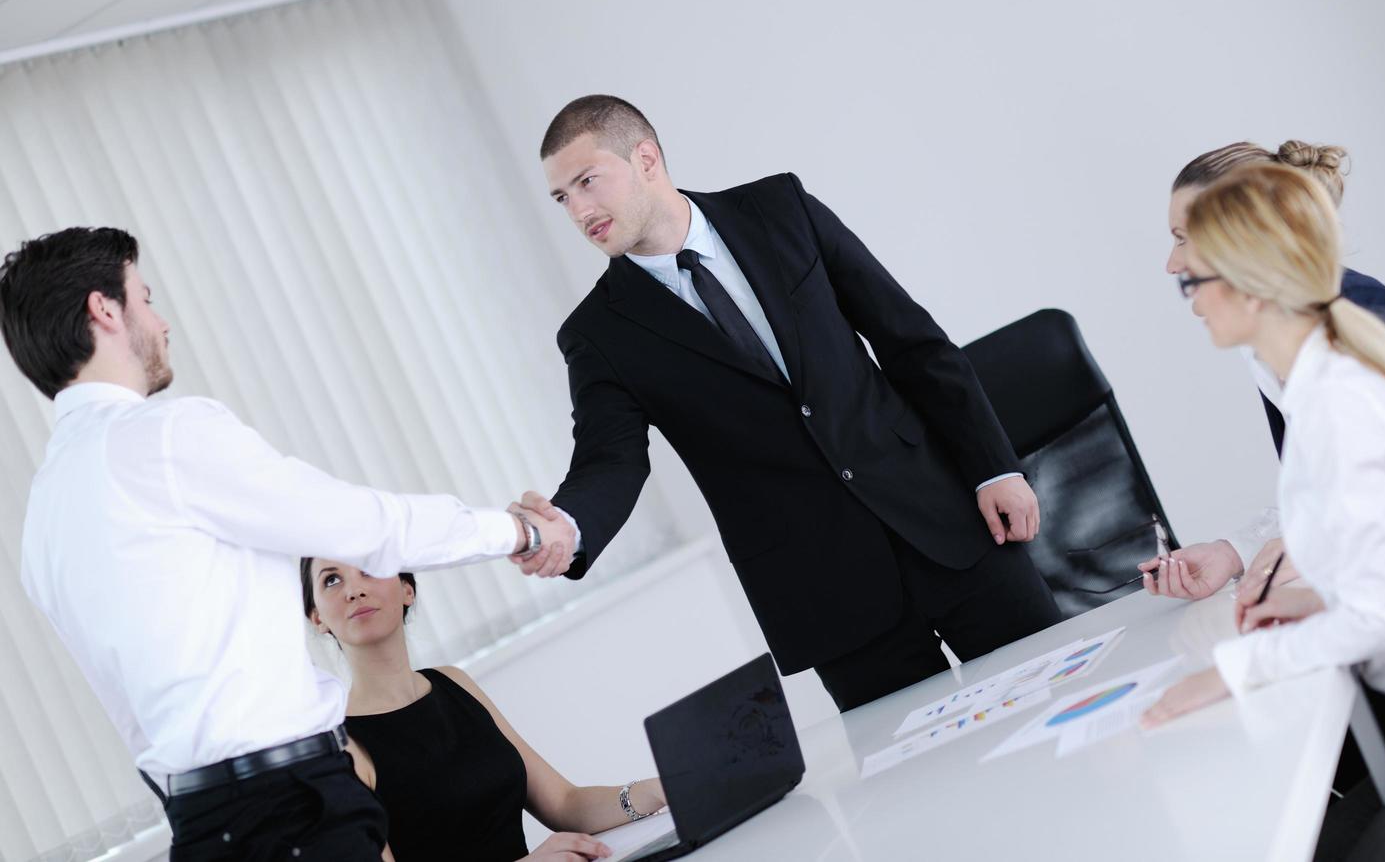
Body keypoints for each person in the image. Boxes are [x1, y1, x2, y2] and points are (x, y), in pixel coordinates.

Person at [0, 227, 572, 860]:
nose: (162, 323)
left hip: (201, 822)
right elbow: (367, 527)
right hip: (295, 807)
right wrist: (519, 531)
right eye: (146, 297)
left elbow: (130, 712)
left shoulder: (44, 519)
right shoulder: (166, 435)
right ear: (104, 310)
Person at [510, 95, 1060, 712]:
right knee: (930, 786)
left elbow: (911, 342)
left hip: (951, 523)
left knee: (1065, 698)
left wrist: (994, 466)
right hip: (826, 593)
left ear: (645, 159)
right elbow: (609, 459)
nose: (579, 211)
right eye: (562, 198)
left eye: (587, 182)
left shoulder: (781, 208)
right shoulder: (598, 334)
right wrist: (569, 523)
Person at [1137, 163, 1385, 861]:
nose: (1190, 300)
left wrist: (1231, 670)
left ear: (1250, 289)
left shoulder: (1339, 403)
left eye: (1194, 281)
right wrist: (1319, 597)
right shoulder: (1323, 380)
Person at [1148, 140, 1385, 602]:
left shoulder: (1358, 321)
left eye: (1183, 238)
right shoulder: (1271, 345)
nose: (1172, 264)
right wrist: (1235, 551)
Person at [299, 558, 665, 862]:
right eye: (331, 580)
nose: (354, 590)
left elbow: (566, 804)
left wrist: (655, 791)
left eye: (369, 567)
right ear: (317, 616)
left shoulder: (453, 683)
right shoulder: (339, 745)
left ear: (407, 589)